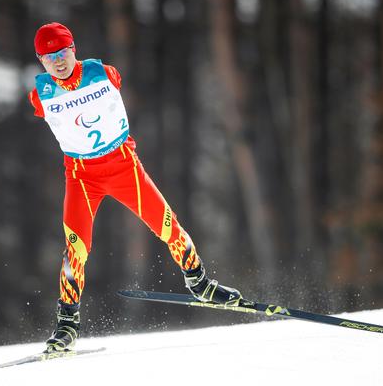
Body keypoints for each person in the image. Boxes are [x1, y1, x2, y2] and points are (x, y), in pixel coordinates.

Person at [28, 22, 242, 353]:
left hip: (124, 168)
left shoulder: (102, 73)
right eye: (48, 56)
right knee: (75, 253)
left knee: (169, 226)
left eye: (62, 52)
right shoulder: (39, 94)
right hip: (82, 177)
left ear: (74, 50)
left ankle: (200, 284)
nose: (58, 61)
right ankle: (67, 324)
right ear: (40, 61)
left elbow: (112, 81)